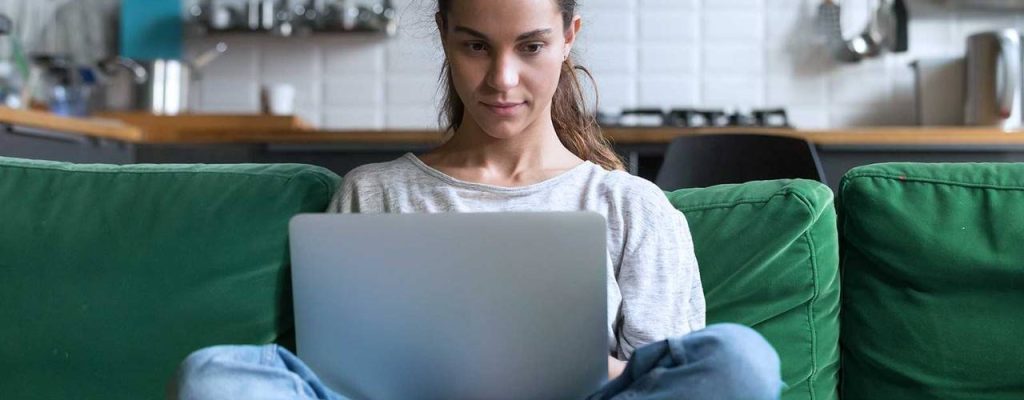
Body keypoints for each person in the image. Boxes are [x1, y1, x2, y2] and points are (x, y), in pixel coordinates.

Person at [173, 0, 783, 399]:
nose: (502, 79)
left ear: (569, 37)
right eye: (475, 46)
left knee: (740, 359)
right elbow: (335, 373)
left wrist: (571, 366)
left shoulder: (632, 205)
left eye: (531, 46)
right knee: (213, 376)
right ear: (443, 35)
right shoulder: (374, 193)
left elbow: (667, 379)